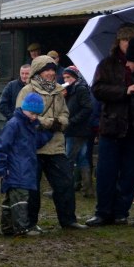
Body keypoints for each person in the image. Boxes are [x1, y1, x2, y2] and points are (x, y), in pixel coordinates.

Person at [15, 55, 87, 231]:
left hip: (55, 145)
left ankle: (68, 220)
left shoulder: (58, 91)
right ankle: (30, 223)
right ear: (37, 71)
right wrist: (50, 123)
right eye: (46, 70)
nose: (50, 73)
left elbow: (65, 113)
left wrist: (60, 122)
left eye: (53, 69)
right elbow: (22, 115)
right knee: (32, 187)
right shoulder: (27, 91)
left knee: (65, 183)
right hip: (33, 146)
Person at [87, 29, 134, 227]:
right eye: (125, 39)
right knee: (106, 172)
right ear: (118, 41)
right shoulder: (107, 64)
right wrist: (124, 91)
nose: (127, 43)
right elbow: (97, 89)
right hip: (111, 125)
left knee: (130, 173)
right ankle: (103, 212)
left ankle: (121, 212)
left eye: (131, 40)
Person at [0, 93, 46, 236]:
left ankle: (7, 227)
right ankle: (21, 228)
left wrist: (48, 133)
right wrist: (0, 167)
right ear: (24, 109)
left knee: (11, 200)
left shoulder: (31, 126)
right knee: (20, 199)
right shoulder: (14, 124)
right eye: (32, 113)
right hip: (15, 169)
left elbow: (37, 142)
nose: (34, 116)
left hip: (23, 168)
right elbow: (1, 146)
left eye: (37, 114)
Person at [61, 66, 95, 199]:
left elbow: (88, 108)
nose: (66, 80)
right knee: (82, 158)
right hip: (74, 129)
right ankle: (88, 189)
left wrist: (73, 121)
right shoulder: (70, 90)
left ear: (75, 77)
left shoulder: (80, 89)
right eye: (64, 77)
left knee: (68, 159)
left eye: (68, 77)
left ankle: (63, 188)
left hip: (77, 130)